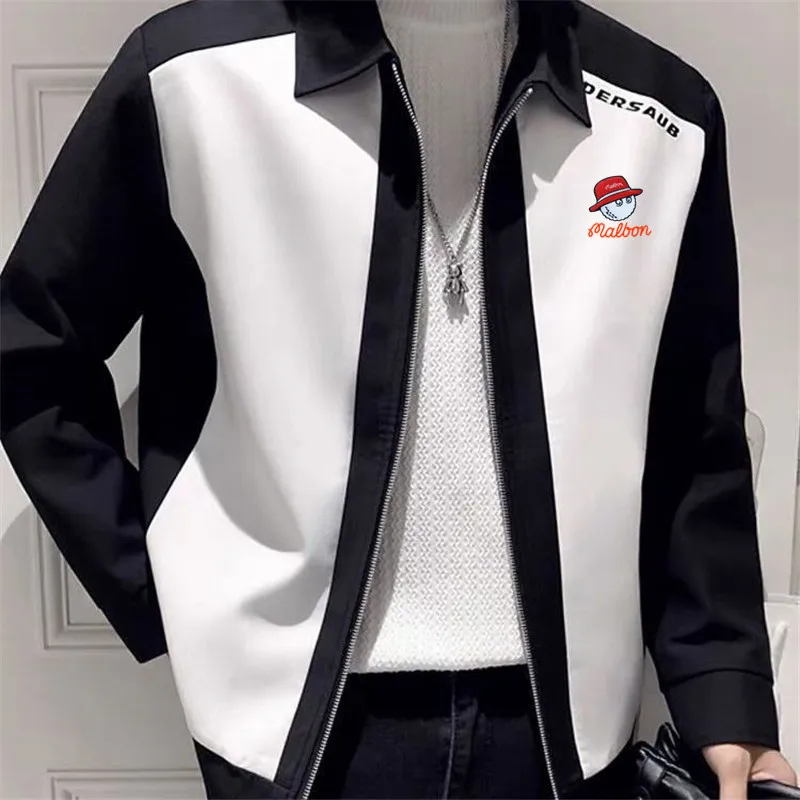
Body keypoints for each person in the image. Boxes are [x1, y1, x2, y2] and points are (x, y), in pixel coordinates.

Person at [0, 1, 796, 798]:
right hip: (291, 728)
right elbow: (31, 349)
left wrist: (724, 688)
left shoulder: (661, 115)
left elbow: (695, 426)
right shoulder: (192, 79)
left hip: (567, 734)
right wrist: (160, 586)